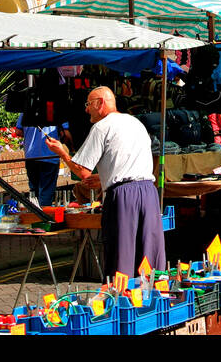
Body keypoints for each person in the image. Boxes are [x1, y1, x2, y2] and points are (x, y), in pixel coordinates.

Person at [45, 86, 165, 279]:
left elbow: (82, 171)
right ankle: (151, 301)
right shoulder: (136, 123)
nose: (86, 109)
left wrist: (63, 153)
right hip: (148, 193)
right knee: (149, 258)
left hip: (124, 196)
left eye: (89, 104)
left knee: (122, 258)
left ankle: (121, 300)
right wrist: (103, 179)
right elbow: (129, 162)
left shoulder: (101, 127)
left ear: (100, 103)